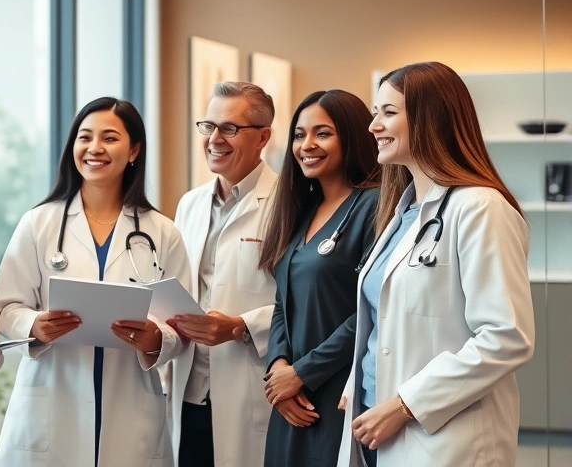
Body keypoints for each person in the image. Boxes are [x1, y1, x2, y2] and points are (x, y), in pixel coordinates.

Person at [337, 62, 535, 467]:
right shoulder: (402, 212)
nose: (374, 125)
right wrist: (362, 382)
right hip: (375, 425)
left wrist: (405, 405)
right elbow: (387, 322)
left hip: (443, 439)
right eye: (376, 113)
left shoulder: (481, 208)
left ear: (431, 119)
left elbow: (505, 336)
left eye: (388, 113)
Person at [0, 97, 191, 467]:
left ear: (134, 150)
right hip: (52, 403)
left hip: (130, 406)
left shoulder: (163, 233)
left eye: (110, 138)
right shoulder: (38, 223)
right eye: (85, 137)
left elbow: (183, 326)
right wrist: (34, 325)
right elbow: (5, 307)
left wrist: (156, 340)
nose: (94, 148)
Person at [260, 90, 381, 467]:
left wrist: (303, 373)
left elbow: (372, 308)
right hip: (289, 397)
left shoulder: (375, 205)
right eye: (299, 134)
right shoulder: (302, 206)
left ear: (352, 137)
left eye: (322, 133)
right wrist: (279, 367)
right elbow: (283, 300)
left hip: (338, 390)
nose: (307, 145)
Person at [168, 81, 279, 467]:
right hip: (188, 391)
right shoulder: (190, 204)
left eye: (229, 128)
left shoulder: (288, 203)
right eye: (208, 126)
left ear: (263, 137)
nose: (215, 138)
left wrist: (241, 326)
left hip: (250, 388)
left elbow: (302, 302)